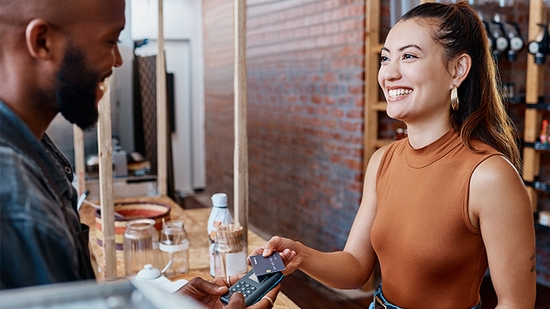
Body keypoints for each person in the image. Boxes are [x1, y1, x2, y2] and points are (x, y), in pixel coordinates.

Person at [252, 2, 536, 308]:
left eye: (409, 56)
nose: (389, 73)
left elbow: (515, 303)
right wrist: (299, 255)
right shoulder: (382, 161)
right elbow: (355, 267)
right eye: (385, 58)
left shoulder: (490, 175)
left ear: (458, 70)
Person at [0, 0, 278, 308]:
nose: (118, 60)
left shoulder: (36, 156)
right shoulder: (13, 198)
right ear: (42, 41)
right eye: (110, 40)